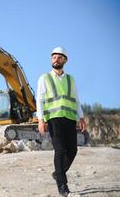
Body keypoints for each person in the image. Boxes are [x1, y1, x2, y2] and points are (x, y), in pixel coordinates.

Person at [36, 46, 87, 196]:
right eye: (53, 57)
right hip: (53, 119)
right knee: (59, 150)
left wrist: (81, 117)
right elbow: (40, 100)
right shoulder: (44, 78)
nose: (55, 60)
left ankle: (58, 173)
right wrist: (40, 120)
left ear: (65, 60)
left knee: (72, 150)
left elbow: (76, 100)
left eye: (59, 57)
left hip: (70, 119)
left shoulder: (71, 80)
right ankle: (62, 186)